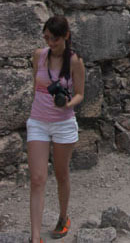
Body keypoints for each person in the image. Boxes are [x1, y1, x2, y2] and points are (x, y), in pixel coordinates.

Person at [27, 16, 85, 243]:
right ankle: (35, 237)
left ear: (66, 36)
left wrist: (67, 103)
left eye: (55, 39)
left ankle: (63, 217)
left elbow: (80, 92)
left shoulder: (75, 61)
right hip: (38, 122)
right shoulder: (38, 56)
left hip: (63, 123)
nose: (50, 43)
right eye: (47, 38)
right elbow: (36, 84)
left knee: (61, 174)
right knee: (37, 178)